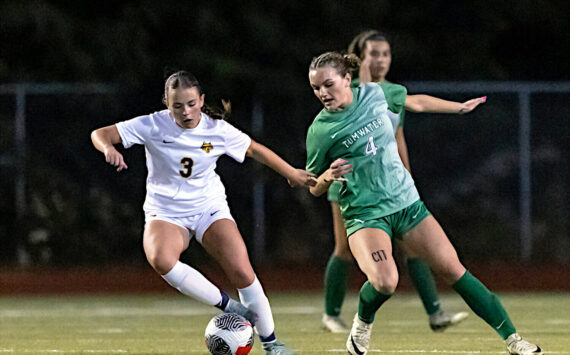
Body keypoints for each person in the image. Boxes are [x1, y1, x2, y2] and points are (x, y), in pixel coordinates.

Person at [305, 52, 542, 355]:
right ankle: (362, 325)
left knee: (454, 269)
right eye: (315, 88)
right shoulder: (320, 130)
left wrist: (458, 108)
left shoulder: (378, 93)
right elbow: (312, 185)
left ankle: (514, 340)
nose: (322, 93)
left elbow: (416, 101)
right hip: (366, 215)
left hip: (407, 204)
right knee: (385, 281)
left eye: (328, 84)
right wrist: (327, 176)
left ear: (347, 79)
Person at [91, 70, 316, 355]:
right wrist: (108, 148)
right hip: (166, 211)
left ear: (201, 100)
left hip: (208, 207)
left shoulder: (216, 129)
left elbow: (254, 150)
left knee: (241, 269)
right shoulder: (151, 124)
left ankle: (272, 345)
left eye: (191, 104)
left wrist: (291, 173)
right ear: (166, 103)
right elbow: (99, 134)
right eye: (177, 106)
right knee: (161, 259)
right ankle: (228, 306)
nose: (185, 112)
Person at [321, 30, 483, 333]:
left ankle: (435, 313)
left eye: (385, 53)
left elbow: (396, 137)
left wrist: (407, 177)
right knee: (343, 249)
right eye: (374, 54)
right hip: (353, 186)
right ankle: (331, 314)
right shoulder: (350, 91)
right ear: (360, 58)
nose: (381, 59)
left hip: (389, 186)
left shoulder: (394, 92)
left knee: (413, 247)